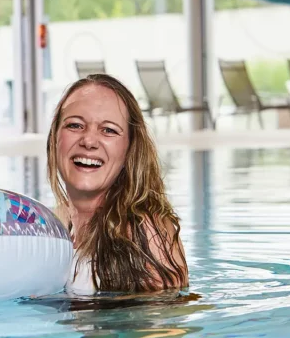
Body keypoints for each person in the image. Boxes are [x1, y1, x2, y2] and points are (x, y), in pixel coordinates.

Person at [46, 74, 188, 294]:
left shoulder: (145, 231)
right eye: (75, 125)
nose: (89, 141)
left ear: (130, 149)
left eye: (109, 130)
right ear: (54, 138)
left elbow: (166, 321)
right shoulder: (46, 227)